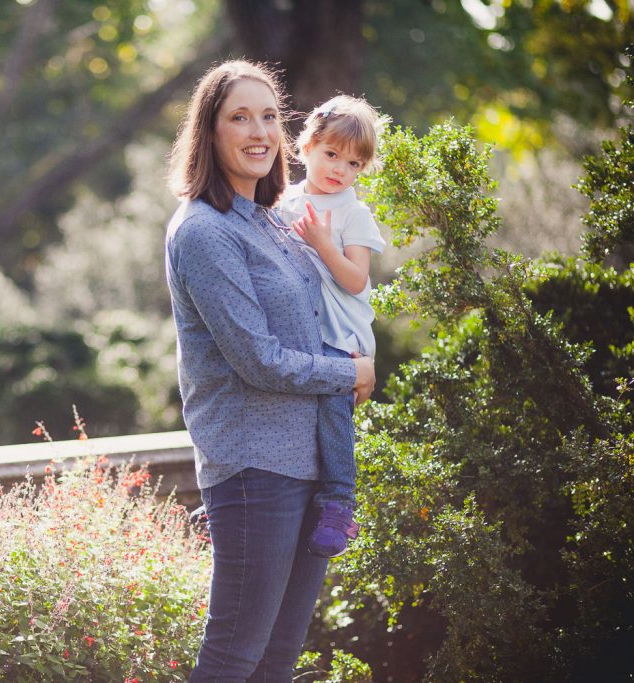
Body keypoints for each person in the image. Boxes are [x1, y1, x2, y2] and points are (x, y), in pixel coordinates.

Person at [164, 61, 376, 682]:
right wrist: (349, 374)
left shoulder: (274, 219)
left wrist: (357, 355)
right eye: (239, 117)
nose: (259, 131)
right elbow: (256, 359)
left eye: (267, 116)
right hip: (256, 467)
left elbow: (329, 310)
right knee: (234, 658)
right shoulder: (203, 231)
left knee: (276, 661)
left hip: (311, 464)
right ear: (209, 132)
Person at [275, 95, 389, 558]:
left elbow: (356, 279)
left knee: (331, 412)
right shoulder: (284, 199)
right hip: (299, 331)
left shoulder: (352, 214)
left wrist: (324, 244)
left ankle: (339, 502)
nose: (341, 169)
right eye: (332, 155)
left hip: (341, 336)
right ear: (307, 147)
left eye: (355, 163)